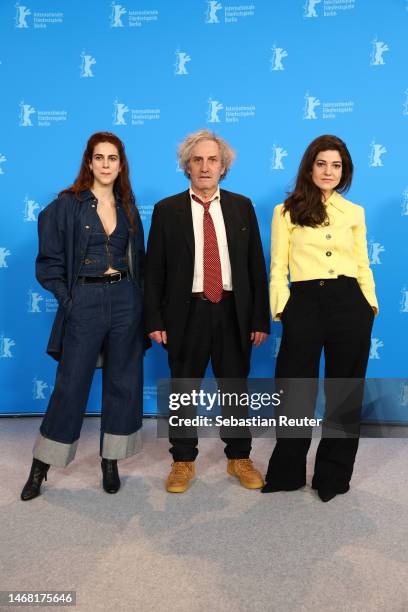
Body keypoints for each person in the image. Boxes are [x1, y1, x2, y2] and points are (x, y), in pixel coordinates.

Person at [21, 132, 146, 500]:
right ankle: (40, 468)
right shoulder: (67, 205)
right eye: (99, 158)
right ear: (88, 162)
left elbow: (140, 259)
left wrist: (139, 302)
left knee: (123, 384)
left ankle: (111, 461)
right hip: (85, 301)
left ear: (121, 165)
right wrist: (69, 299)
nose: (106, 164)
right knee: (70, 385)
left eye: (112, 158)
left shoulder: (128, 206)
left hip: (125, 301)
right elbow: (48, 263)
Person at [144, 128, 270, 493]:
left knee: (235, 389)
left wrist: (259, 317)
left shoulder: (241, 206)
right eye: (197, 159)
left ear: (223, 166)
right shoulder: (167, 210)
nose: (204, 166)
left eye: (212, 159)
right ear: (187, 166)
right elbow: (155, 270)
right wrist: (154, 318)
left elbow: (254, 269)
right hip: (186, 313)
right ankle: (182, 461)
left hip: (233, 312)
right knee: (184, 390)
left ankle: (239, 458)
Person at [263, 134, 378, 502]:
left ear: (344, 171)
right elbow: (278, 266)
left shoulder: (354, 212)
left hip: (350, 304)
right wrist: (283, 309)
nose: (329, 171)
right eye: (322, 164)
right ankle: (286, 472)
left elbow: (362, 263)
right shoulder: (285, 212)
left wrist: (369, 305)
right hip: (305, 303)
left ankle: (333, 477)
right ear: (309, 167)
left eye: (337, 165)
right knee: (295, 391)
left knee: (344, 393)